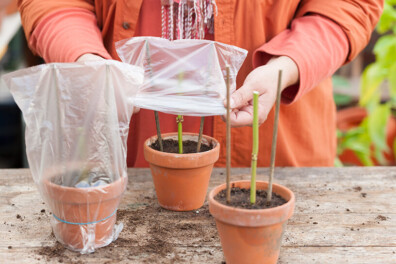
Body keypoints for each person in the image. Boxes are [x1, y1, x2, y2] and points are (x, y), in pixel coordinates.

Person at [18, 0, 383, 167]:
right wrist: (87, 61)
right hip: (123, 149)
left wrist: (285, 67)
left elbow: (348, 5)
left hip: (276, 140)